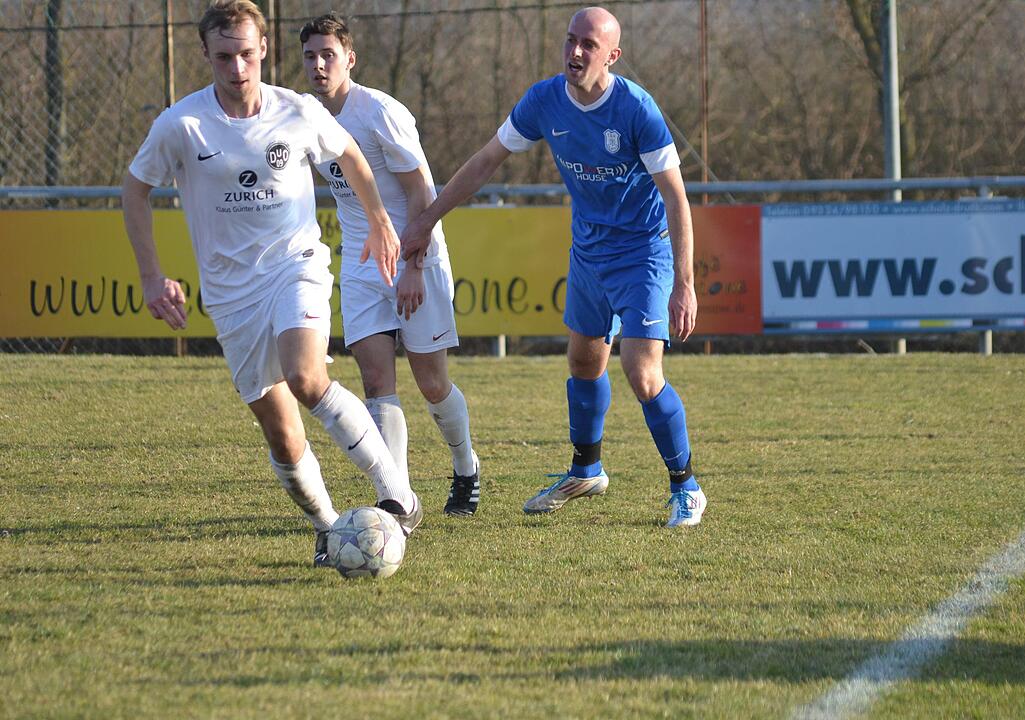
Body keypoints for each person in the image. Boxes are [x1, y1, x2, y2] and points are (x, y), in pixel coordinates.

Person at [121, 0, 422, 568]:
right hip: (231, 294)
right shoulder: (181, 125)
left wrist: (381, 219)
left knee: (307, 377)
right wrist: (151, 276)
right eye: (224, 57)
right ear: (207, 56)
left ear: (264, 51)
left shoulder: (298, 111)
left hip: (296, 265)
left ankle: (398, 494)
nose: (237, 69)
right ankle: (332, 530)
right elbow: (134, 190)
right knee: (282, 434)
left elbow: (352, 155)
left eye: (246, 55)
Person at [401, 6, 705, 527]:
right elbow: (484, 162)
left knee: (641, 372)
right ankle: (586, 470)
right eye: (570, 41)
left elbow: (675, 198)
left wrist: (684, 283)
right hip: (588, 253)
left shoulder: (636, 109)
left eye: (589, 44)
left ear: (613, 55)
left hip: (643, 253)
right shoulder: (544, 101)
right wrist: (428, 217)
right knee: (584, 362)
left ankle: (686, 486)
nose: (576, 52)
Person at [298, 13, 480, 517]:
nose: (318, 65)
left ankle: (466, 466)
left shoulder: (379, 111)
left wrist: (414, 266)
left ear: (349, 59)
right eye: (310, 56)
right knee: (377, 383)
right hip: (360, 264)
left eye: (327, 54)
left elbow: (422, 191)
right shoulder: (306, 118)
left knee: (431, 383)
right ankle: (397, 498)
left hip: (415, 256)